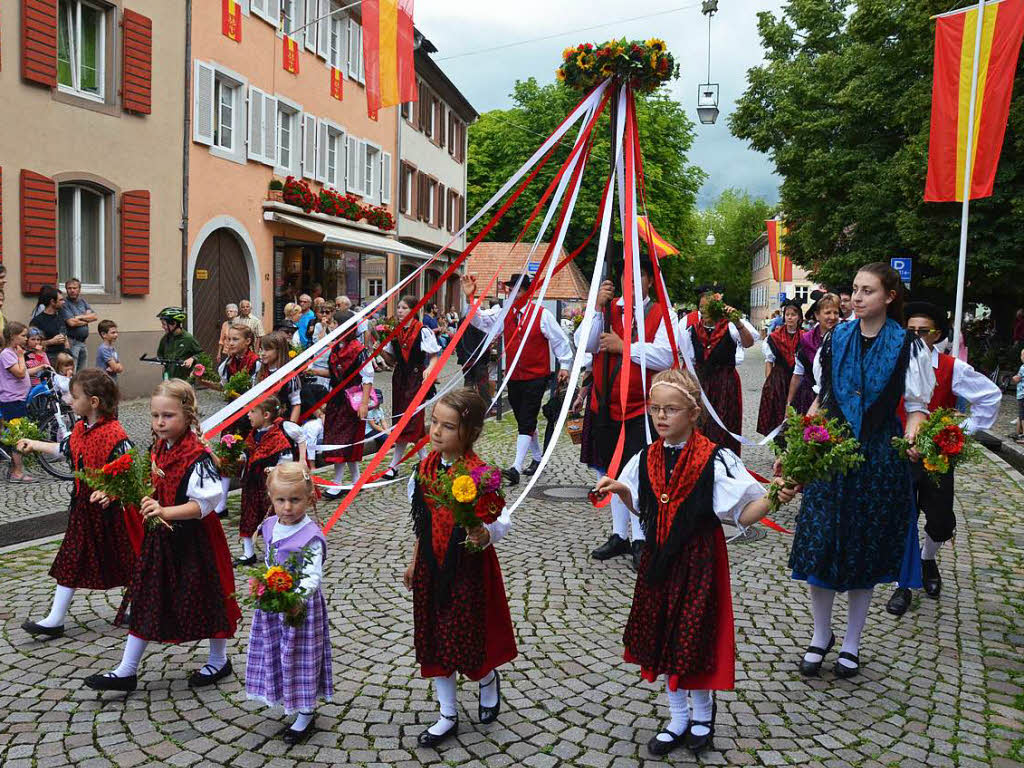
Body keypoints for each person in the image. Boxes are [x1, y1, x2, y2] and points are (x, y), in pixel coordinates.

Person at [596, 369, 795, 756]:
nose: (661, 417)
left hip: (699, 558)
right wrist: (621, 489)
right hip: (659, 559)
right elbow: (645, 507)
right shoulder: (646, 457)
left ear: (693, 413)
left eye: (671, 409)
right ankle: (677, 717)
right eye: (656, 409)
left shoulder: (715, 459)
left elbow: (743, 512)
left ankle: (702, 714)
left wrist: (776, 497)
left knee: (694, 635)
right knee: (665, 633)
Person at [787, 263, 935, 680]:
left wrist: (913, 437)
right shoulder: (834, 339)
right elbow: (822, 398)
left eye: (867, 291)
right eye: (854, 289)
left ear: (889, 296)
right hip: (831, 454)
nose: (856, 297)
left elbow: (916, 409)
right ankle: (820, 635)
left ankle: (851, 641)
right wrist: (801, 445)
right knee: (820, 545)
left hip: (877, 460)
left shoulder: (909, 345)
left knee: (862, 551)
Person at [83, 380, 240, 694]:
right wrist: (114, 492)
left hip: (196, 542)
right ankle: (127, 670)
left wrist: (166, 512)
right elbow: (145, 482)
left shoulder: (198, 456)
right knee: (146, 597)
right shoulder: (157, 448)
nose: (159, 423)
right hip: (161, 540)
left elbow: (205, 504)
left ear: (187, 416)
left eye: (167, 416)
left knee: (211, 597)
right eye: (155, 416)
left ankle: (220, 659)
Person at [403, 388, 517, 747]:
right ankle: (447, 713)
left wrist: (482, 532)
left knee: (467, 636)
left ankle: (485, 679)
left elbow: (500, 523)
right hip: (431, 568)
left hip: (468, 572)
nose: (436, 431)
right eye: (434, 422)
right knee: (436, 638)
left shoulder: (481, 475)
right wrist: (414, 559)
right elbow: (422, 521)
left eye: (448, 426)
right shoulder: (423, 469)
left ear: (469, 432)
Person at [885, 302, 1001, 616]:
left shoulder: (951, 367)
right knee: (904, 519)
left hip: (936, 456)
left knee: (940, 520)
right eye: (911, 332)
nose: (917, 337)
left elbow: (989, 396)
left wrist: (957, 431)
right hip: (899, 453)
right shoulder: (892, 362)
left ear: (937, 335)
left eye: (924, 332)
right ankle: (903, 585)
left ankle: (927, 558)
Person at [18, 369, 138, 638]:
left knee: (129, 559)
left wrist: (112, 493)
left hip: (112, 512)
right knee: (71, 559)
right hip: (84, 507)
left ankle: (141, 605)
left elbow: (132, 471)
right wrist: (35, 444)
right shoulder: (81, 428)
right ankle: (55, 618)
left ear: (93, 402)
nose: (69, 401)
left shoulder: (115, 435)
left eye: (74, 396)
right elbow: (64, 450)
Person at [579, 259, 673, 568]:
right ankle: (619, 534)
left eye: (638, 276)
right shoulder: (607, 308)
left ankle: (640, 537)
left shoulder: (661, 312)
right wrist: (595, 308)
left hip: (639, 408)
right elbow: (585, 345)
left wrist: (625, 346)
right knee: (610, 471)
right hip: (605, 405)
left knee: (641, 474)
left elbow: (665, 355)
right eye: (625, 275)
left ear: (648, 280)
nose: (631, 281)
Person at [244, 462, 332, 742]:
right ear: (271, 498)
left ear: (309, 498)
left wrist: (296, 599)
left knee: (301, 656)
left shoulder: (311, 536)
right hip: (273, 607)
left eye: (295, 500)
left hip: (299, 609)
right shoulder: (269, 525)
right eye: (281, 500)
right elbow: (270, 561)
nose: (288, 507)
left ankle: (305, 711)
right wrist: (261, 584)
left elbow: (312, 576)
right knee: (276, 652)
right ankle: (285, 695)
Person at [463, 274, 572, 484]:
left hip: (536, 376)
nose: (514, 294)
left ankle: (515, 467)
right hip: (514, 376)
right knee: (524, 418)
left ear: (528, 293)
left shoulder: (541, 314)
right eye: (511, 290)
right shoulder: (504, 313)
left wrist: (565, 366)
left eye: (519, 290)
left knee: (528, 416)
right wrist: (471, 298)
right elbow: (480, 321)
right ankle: (538, 458)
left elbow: (560, 340)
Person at [679, 289, 755, 455]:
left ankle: (725, 463)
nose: (704, 311)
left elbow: (748, 343)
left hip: (726, 384)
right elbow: (689, 361)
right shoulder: (691, 330)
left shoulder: (730, 327)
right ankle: (700, 463)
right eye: (701, 307)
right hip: (702, 383)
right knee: (701, 424)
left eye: (708, 307)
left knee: (725, 425)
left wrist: (738, 323)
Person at [235, 396, 305, 566]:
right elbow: (249, 453)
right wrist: (241, 458)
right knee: (248, 516)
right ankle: (248, 552)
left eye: (252, 411)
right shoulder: (252, 436)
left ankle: (272, 551)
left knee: (270, 518)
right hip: (251, 484)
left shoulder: (278, 438)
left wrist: (275, 469)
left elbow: (286, 458)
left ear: (265, 415)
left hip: (269, 487)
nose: (248, 415)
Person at [380, 296, 439, 480]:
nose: (399, 310)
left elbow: (434, 355)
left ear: (413, 310)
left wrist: (429, 368)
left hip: (416, 378)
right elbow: (392, 361)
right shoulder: (395, 332)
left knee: (412, 420)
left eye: (404, 308)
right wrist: (380, 349)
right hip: (399, 379)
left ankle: (396, 465)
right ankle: (424, 463)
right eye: (398, 307)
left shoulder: (422, 331)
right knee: (402, 422)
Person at [321, 311, 373, 496]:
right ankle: (356, 480)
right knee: (342, 440)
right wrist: (313, 371)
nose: (331, 325)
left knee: (343, 441)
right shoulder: (335, 349)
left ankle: (337, 483)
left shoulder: (359, 350)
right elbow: (335, 375)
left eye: (335, 322)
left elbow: (367, 378)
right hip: (336, 400)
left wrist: (364, 404)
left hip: (351, 402)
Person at [786, 294, 841, 414]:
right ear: (817, 315)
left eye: (836, 313)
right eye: (827, 313)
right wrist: (789, 404)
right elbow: (797, 374)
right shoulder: (807, 340)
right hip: (809, 397)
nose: (832, 317)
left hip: (838, 399)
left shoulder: (846, 337)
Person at [757, 300, 803, 439]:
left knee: (797, 413)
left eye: (793, 315)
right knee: (776, 414)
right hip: (779, 379)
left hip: (798, 379)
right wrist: (769, 382)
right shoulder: (774, 337)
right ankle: (779, 450)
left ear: (799, 317)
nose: (790, 317)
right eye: (787, 314)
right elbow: (769, 361)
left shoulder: (805, 336)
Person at [0, 322, 37, 482]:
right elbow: (20, 373)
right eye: (23, 335)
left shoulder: (14, 352)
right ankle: (17, 472)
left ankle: (14, 468)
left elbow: (24, 372)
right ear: (12, 337)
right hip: (11, 399)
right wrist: (21, 357)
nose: (26, 338)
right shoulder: (7, 354)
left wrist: (40, 367)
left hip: (18, 398)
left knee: (16, 432)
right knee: (17, 435)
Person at [256, 332, 302, 423]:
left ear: (279, 350)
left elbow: (296, 403)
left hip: (280, 421)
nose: (263, 353)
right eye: (261, 349)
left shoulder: (289, 375)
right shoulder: (259, 369)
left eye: (267, 349)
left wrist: (291, 426)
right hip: (260, 421)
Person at [60, 278, 98, 371]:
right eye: (69, 288)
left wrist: (78, 317)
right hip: (72, 342)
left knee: (82, 372)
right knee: (72, 371)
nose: (72, 290)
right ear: (66, 289)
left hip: (83, 342)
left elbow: (94, 316)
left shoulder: (83, 302)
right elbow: (71, 323)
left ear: (79, 289)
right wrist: (86, 318)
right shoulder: (65, 304)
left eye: (74, 288)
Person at [155, 307, 203, 381]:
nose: (163, 327)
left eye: (164, 324)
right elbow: (160, 354)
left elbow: (201, 355)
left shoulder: (188, 339)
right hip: (168, 379)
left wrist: (192, 359)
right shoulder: (165, 339)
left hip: (183, 381)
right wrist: (163, 362)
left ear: (174, 323)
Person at [30, 285, 69, 365]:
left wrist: (68, 353)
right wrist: (51, 341)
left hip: (62, 358)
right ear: (52, 302)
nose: (63, 302)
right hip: (47, 358)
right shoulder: (37, 321)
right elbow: (32, 345)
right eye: (61, 300)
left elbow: (65, 336)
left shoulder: (60, 317)